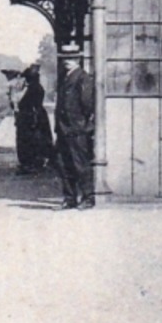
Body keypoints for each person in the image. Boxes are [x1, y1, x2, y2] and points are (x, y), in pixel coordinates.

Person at [54, 45, 95, 209]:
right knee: (64, 164)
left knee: (80, 164)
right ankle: (69, 198)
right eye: (64, 58)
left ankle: (88, 197)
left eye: (70, 58)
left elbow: (87, 104)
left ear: (78, 59)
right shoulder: (66, 78)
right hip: (64, 129)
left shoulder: (82, 78)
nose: (66, 61)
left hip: (77, 129)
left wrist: (82, 124)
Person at [15, 65, 55, 174]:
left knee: (31, 140)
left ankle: (31, 163)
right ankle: (35, 162)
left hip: (32, 118)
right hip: (37, 115)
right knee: (38, 140)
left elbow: (25, 103)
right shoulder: (36, 87)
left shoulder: (33, 88)